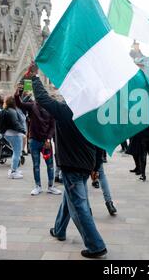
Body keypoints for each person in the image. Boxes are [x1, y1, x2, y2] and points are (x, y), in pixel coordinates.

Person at [27, 62, 107, 259]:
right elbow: (99, 143)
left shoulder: (66, 110)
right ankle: (59, 230)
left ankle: (96, 246)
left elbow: (43, 99)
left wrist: (34, 77)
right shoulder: (92, 113)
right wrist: (96, 166)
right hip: (86, 163)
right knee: (69, 199)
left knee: (79, 206)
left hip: (72, 164)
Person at [14, 85, 61, 196]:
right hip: (34, 140)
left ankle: (51, 186)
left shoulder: (50, 108)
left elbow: (52, 125)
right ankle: (38, 186)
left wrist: (48, 139)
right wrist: (18, 93)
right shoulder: (32, 106)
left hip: (46, 142)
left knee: (50, 165)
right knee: (36, 165)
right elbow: (19, 104)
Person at [0, 96, 26, 179]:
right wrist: (23, 130)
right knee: (17, 153)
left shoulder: (5, 110)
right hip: (13, 134)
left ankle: (15, 169)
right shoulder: (12, 111)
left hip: (7, 133)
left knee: (16, 152)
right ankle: (13, 172)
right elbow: (15, 123)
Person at [92, 147, 117, 216]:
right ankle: (109, 203)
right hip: (97, 154)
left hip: (84, 157)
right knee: (102, 176)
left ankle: (86, 208)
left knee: (82, 181)